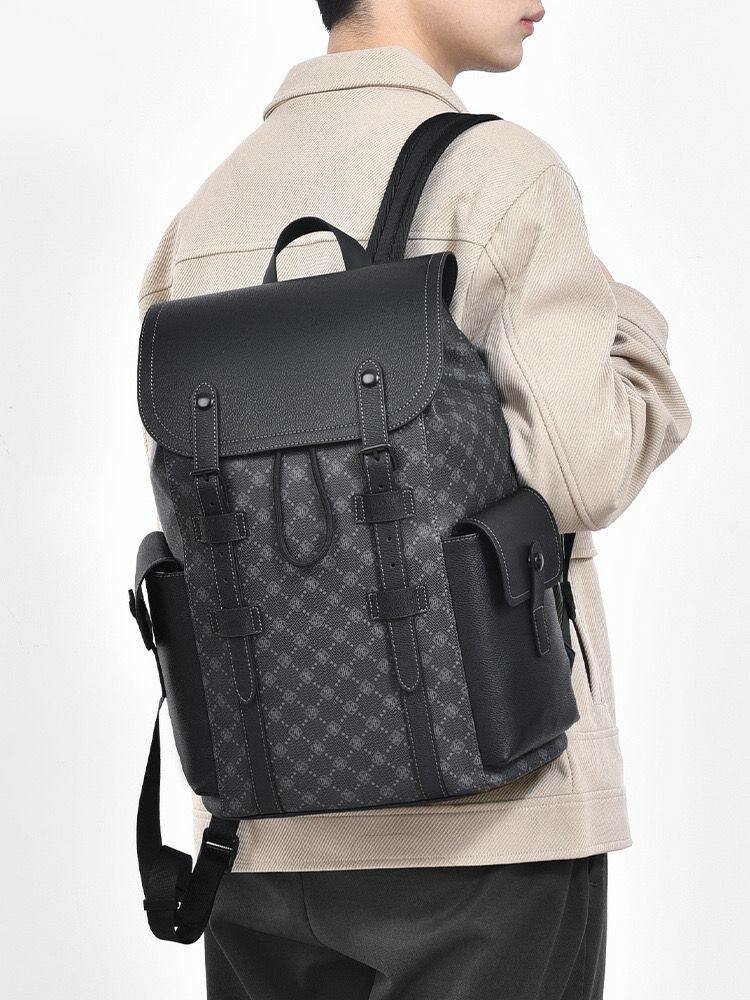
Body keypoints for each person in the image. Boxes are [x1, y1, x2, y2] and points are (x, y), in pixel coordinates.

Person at [138, 1, 691, 997]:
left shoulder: (208, 211)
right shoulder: (499, 175)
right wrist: (631, 323)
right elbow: (584, 471)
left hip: (259, 836)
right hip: (488, 828)